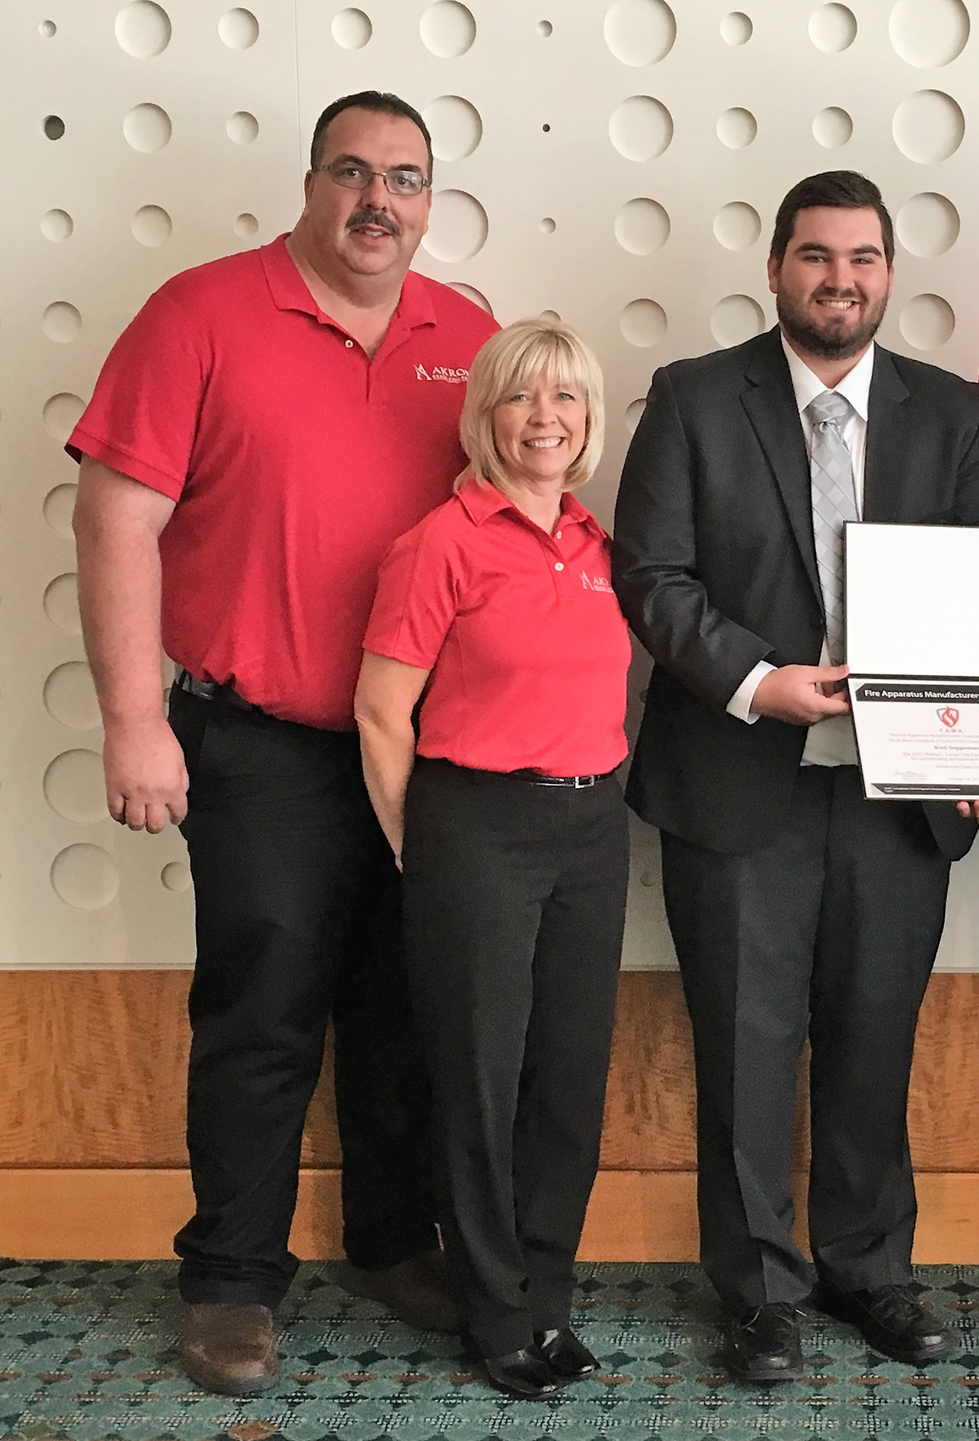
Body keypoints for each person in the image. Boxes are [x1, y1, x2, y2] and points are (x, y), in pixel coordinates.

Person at [67, 90, 497, 1396]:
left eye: (408, 179)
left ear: (431, 200)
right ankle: (232, 1278)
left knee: (403, 1008)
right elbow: (114, 520)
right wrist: (134, 719)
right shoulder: (199, 314)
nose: (381, 200)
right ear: (310, 186)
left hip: (418, 745)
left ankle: (390, 1240)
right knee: (261, 1012)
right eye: (355, 173)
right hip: (252, 741)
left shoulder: (466, 333)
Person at [612, 170, 979, 1383]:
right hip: (741, 779)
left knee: (871, 1040)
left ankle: (868, 1271)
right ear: (776, 267)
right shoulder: (691, 398)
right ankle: (759, 1293)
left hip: (903, 795)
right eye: (818, 257)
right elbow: (653, 578)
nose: (841, 280)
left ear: (891, 274)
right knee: (743, 1048)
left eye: (864, 259)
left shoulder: (954, 414)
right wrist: (759, 682)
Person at [354, 319, 629, 1400]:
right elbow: (381, 714)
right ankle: (493, 1309)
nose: (543, 419)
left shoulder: (601, 545)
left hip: (592, 828)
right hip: (476, 828)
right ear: (486, 416)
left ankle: (548, 1300)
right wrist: (424, 856)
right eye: (521, 398)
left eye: (564, 398)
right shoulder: (442, 542)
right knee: (479, 1080)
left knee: (566, 1078)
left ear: (588, 419)